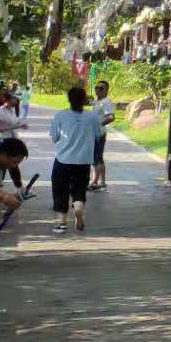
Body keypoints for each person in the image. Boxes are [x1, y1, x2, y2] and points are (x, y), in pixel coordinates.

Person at [48, 85, 103, 233]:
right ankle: (78, 208)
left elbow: (54, 137)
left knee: (60, 190)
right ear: (84, 100)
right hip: (83, 161)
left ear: (69, 99)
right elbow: (99, 135)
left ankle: (62, 223)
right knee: (79, 190)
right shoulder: (92, 116)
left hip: (63, 160)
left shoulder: (60, 115)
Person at [90, 80, 116, 191]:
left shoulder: (106, 102)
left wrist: (99, 125)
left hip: (99, 133)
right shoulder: (98, 101)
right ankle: (101, 182)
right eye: (97, 87)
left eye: (101, 88)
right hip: (95, 133)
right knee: (97, 157)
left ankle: (96, 182)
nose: (98, 90)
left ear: (106, 90)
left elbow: (111, 117)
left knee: (97, 157)